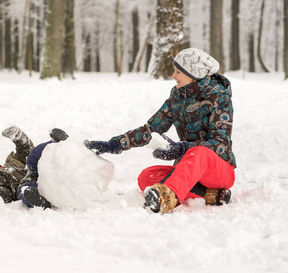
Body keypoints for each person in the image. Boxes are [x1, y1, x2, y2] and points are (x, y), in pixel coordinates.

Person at [85, 48, 236, 214]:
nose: (173, 75)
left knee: (199, 153)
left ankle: (165, 198)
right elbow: (151, 129)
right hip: (190, 168)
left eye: (178, 71)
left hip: (218, 169)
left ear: (193, 73)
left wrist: (183, 148)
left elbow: (220, 142)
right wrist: (115, 144)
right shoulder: (178, 96)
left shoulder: (218, 96)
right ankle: (210, 195)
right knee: (146, 178)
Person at [0, 126, 68, 209]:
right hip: (31, 183)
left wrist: (18, 137)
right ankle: (40, 201)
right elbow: (5, 195)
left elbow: (25, 150)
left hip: (36, 169)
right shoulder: (0, 183)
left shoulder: (12, 160)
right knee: (23, 191)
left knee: (32, 156)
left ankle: (58, 144)